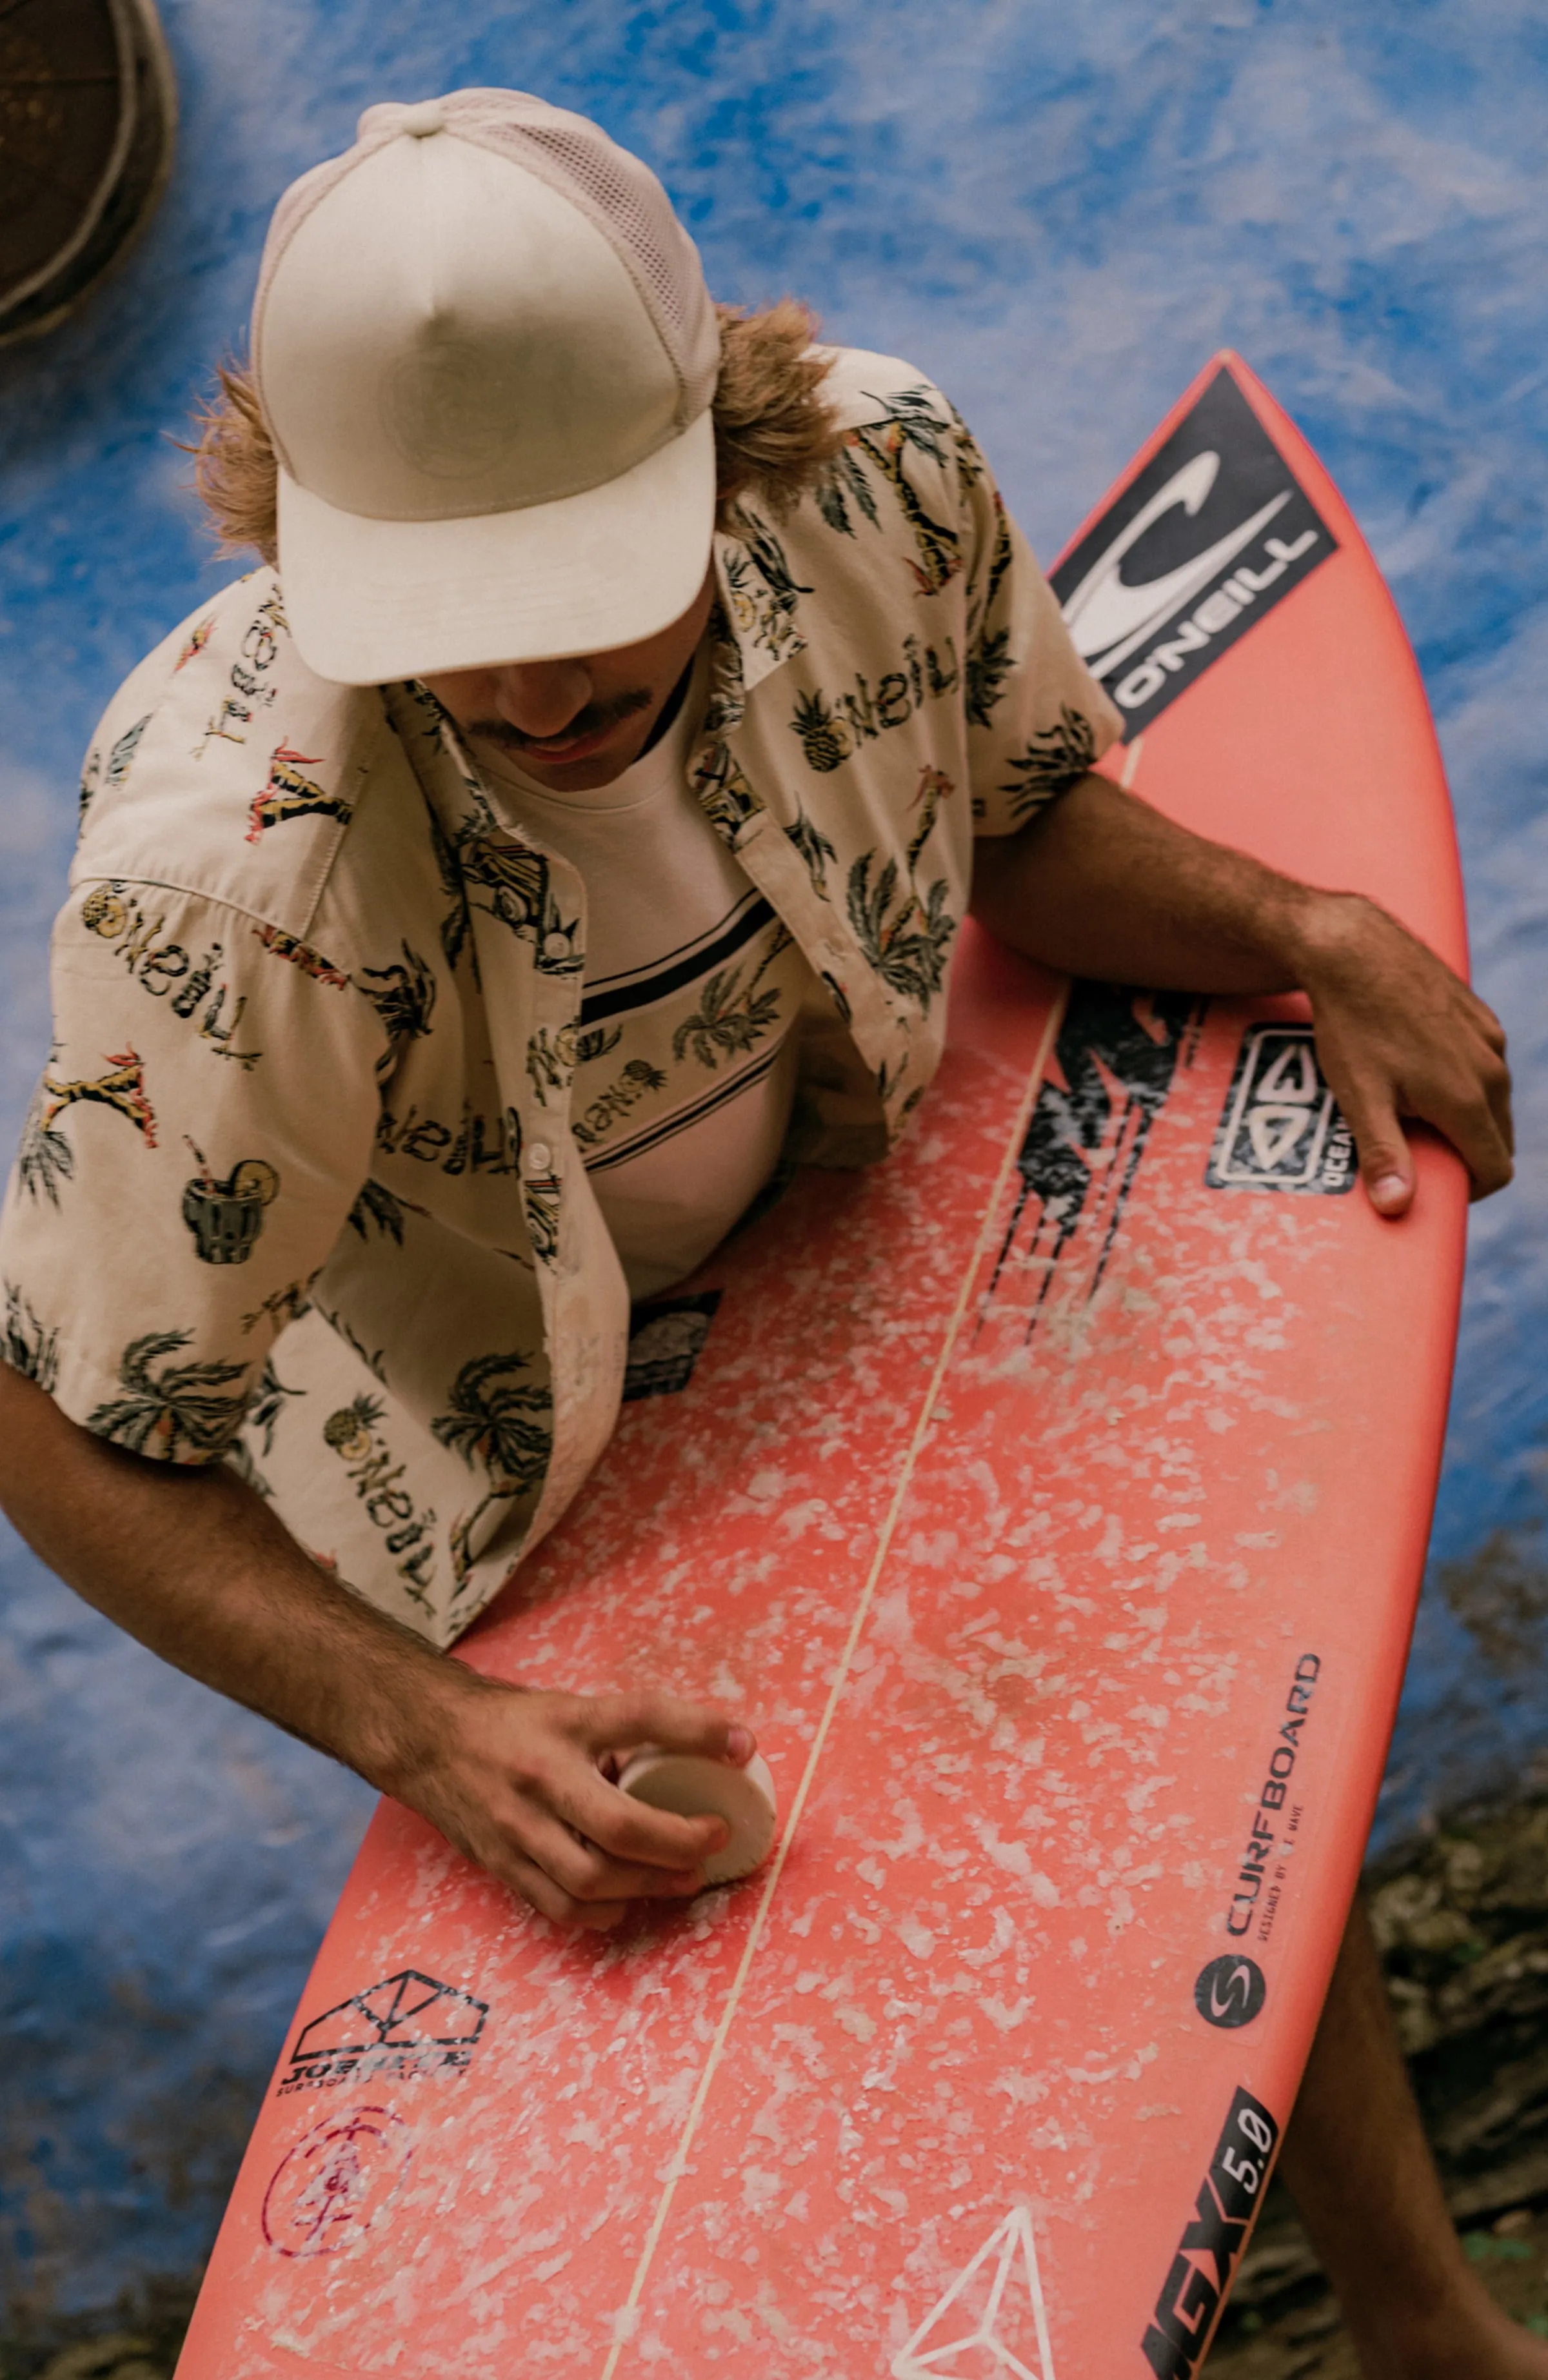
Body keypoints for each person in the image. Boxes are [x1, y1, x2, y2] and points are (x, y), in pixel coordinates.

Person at [0, 87, 1530, 2377]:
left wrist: (1304, 923)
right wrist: (437, 1736)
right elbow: (57, 1428)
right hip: (533, 1482)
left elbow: (1023, 828)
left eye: (583, 610)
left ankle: (1430, 2336)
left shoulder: (880, 479)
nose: (525, 696)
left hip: (869, 1215)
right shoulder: (230, 888)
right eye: (453, 631)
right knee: (800, 2021)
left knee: (1164, 1781)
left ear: (730, 440)